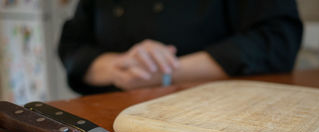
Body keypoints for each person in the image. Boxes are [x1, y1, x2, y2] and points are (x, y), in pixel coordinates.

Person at [58, 0, 303, 95]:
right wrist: (118, 69)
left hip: (219, 118)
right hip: (106, 121)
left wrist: (168, 72)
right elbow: (71, 46)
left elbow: (278, 38)